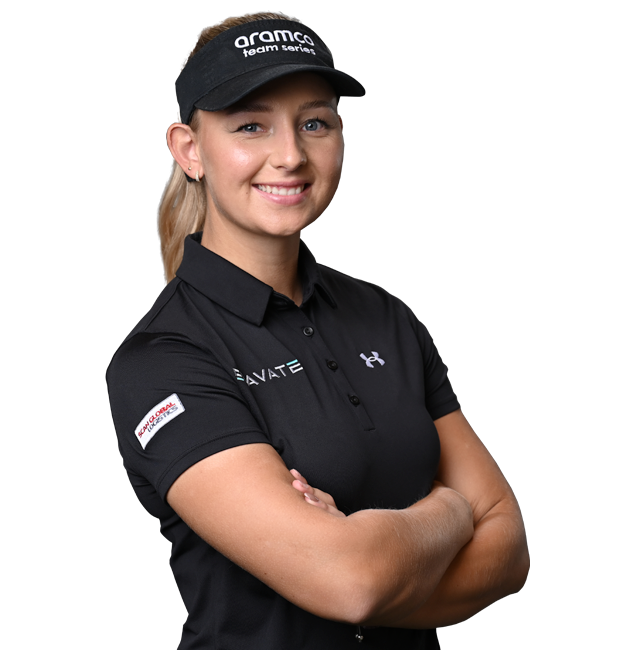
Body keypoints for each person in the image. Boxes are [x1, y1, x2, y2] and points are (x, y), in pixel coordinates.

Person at [106, 12, 529, 649]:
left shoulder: (384, 317)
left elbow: (509, 550)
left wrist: (370, 567)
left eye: (314, 123)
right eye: (251, 126)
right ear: (190, 151)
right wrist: (449, 509)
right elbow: (350, 582)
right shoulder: (163, 360)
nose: (290, 156)